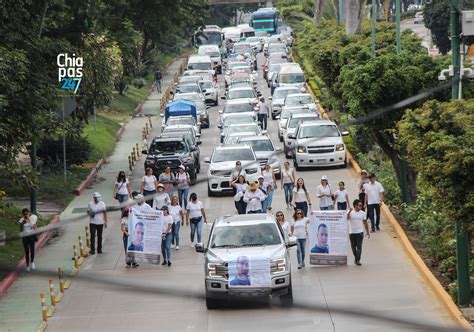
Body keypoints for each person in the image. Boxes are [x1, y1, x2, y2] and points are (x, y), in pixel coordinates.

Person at [347, 199, 370, 265]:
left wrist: (367, 232)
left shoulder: (363, 213)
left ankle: (358, 260)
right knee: (353, 247)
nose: (361, 206)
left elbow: (365, 223)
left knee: (359, 247)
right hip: (352, 232)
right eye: (359, 205)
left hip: (360, 232)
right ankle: (356, 258)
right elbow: (346, 218)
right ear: (355, 205)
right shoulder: (350, 212)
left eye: (361, 205)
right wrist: (349, 212)